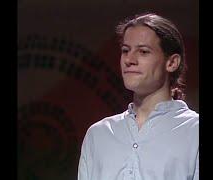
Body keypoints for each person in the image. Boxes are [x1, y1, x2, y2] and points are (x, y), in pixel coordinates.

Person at [78, 12, 199, 180]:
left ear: (171, 63)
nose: (129, 59)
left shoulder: (193, 131)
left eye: (143, 51)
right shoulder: (99, 135)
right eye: (125, 50)